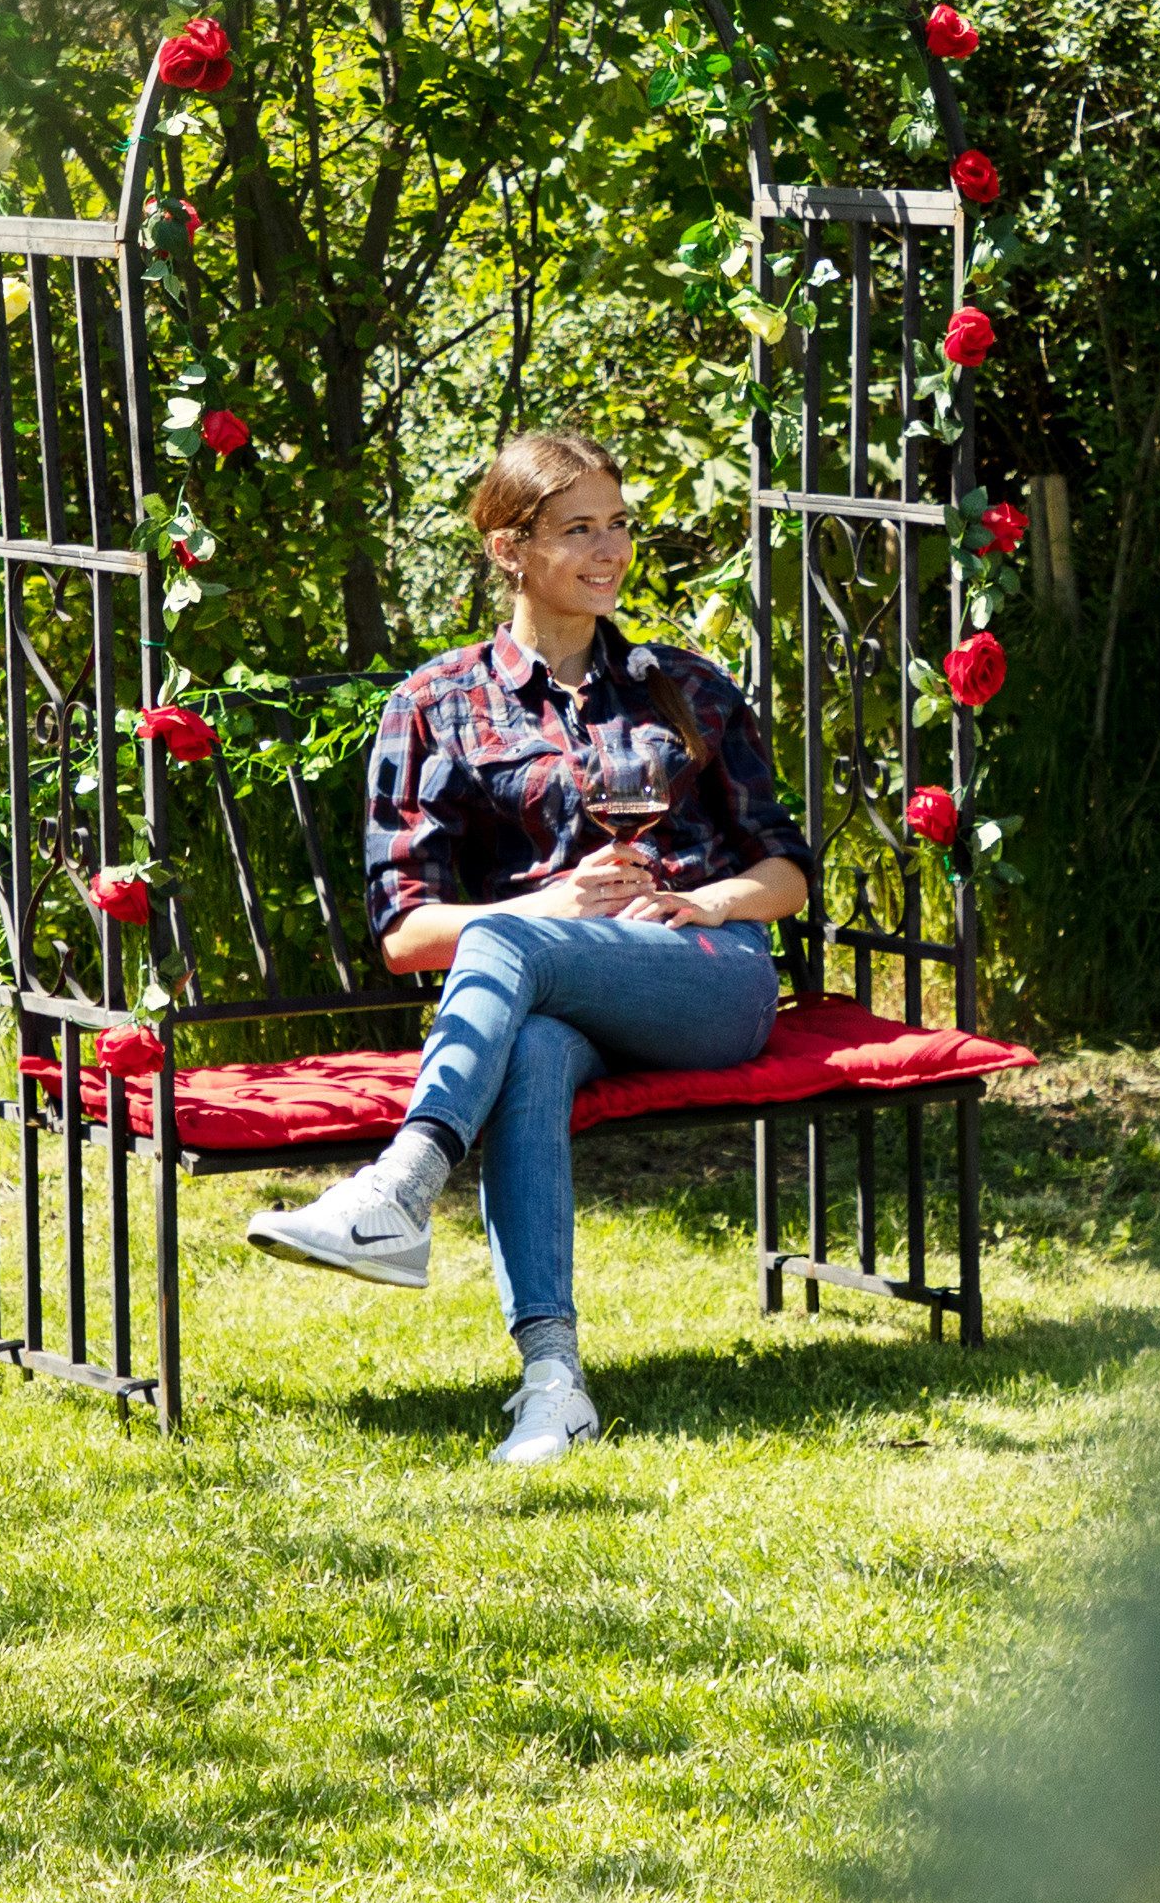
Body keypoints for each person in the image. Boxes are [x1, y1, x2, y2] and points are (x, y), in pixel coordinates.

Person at [245, 429, 812, 1465]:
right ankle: (554, 1382)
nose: (610, 550)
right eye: (578, 529)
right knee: (534, 1046)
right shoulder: (435, 704)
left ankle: (403, 1187)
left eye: (618, 524)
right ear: (508, 548)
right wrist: (552, 908)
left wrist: (707, 901)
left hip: (705, 981)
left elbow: (785, 871)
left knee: (517, 947)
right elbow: (406, 934)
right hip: (551, 1000)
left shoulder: (682, 686)